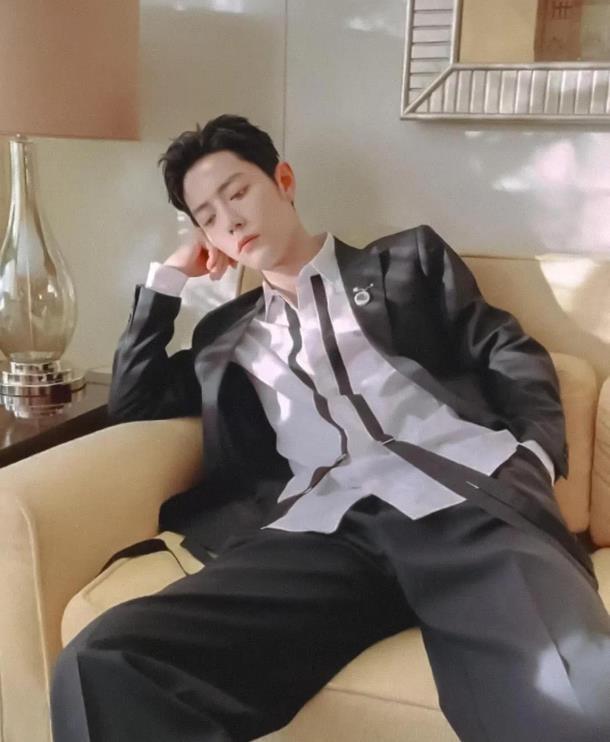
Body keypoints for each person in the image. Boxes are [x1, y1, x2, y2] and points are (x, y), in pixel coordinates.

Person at [51, 114, 610, 742]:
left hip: (464, 502)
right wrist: (169, 279)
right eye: (207, 216)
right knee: (105, 661)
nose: (229, 220)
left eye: (238, 192)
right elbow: (132, 401)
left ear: (284, 181)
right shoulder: (226, 334)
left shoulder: (407, 263)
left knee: (577, 700)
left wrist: (532, 457)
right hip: (324, 535)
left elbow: (508, 352)